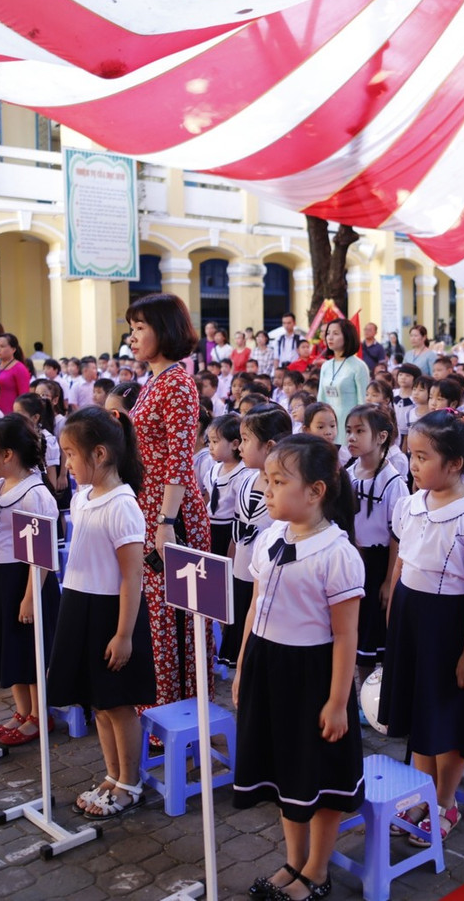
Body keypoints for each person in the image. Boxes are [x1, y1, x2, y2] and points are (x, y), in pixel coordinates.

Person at [232, 434, 364, 901]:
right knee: (287, 772)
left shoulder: (337, 554)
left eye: (279, 481)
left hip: (313, 677)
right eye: (266, 480)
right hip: (269, 666)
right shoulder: (270, 537)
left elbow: (346, 635)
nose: (266, 490)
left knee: (320, 778)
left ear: (316, 492)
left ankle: (317, 869)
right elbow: (254, 608)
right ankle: (293, 860)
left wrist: (336, 702)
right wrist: (244, 665)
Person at [378, 410, 464, 847]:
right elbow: (404, 561)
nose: (413, 464)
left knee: (447, 722)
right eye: (411, 454)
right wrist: (393, 600)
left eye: (422, 457)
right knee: (421, 718)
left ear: (454, 464)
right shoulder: (411, 503)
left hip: (449, 627)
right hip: (412, 621)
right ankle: (421, 793)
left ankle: (446, 802)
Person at [55, 408, 160, 818]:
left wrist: (123, 634)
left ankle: (130, 783)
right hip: (78, 604)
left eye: (70, 454)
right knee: (97, 703)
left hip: (110, 613)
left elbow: (132, 578)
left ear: (99, 454)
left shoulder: (123, 505)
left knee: (118, 704)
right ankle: (111, 775)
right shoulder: (83, 497)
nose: (66, 463)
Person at [126, 293, 214, 706]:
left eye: (140, 328)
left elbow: (179, 461)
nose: (133, 337)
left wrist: (165, 521)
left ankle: (178, 707)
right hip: (152, 507)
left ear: (165, 330)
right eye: (132, 328)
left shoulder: (178, 382)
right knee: (158, 612)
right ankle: (160, 702)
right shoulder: (155, 379)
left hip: (172, 513)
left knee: (173, 614)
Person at [0, 415, 61, 746]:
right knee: (9, 647)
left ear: (8, 454)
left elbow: (42, 556)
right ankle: (22, 712)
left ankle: (41, 715)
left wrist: (29, 596)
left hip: (25, 580)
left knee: (29, 650)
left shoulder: (34, 494)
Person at [228, 405, 292, 666]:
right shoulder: (244, 479)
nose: (239, 447)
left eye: (245, 440)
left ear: (269, 446)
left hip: (268, 577)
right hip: (242, 568)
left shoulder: (287, 489)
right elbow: (237, 524)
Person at [344, 404, 405, 672]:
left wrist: (388, 581)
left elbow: (397, 537)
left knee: (371, 632)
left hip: (378, 564)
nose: (351, 438)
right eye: (349, 431)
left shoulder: (393, 483)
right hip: (350, 558)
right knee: (350, 626)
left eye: (360, 431)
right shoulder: (347, 474)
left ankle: (370, 693)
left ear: (381, 437)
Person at [203, 414, 244, 584]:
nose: (211, 447)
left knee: (223, 574)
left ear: (235, 444)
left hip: (227, 529)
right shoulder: (214, 469)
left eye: (215, 442)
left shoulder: (242, 473)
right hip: (210, 526)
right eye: (210, 442)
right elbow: (206, 497)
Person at [317, 318, 369, 445]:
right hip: (328, 426)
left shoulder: (358, 366)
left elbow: (363, 402)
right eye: (328, 333)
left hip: (349, 425)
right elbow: (321, 398)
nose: (330, 337)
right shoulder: (326, 366)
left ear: (347, 337)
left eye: (335, 333)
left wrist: (360, 428)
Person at [0, 334, 31, 414]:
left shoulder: (20, 368)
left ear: (13, 349)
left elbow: (24, 396)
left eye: (2, 346)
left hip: (10, 413)